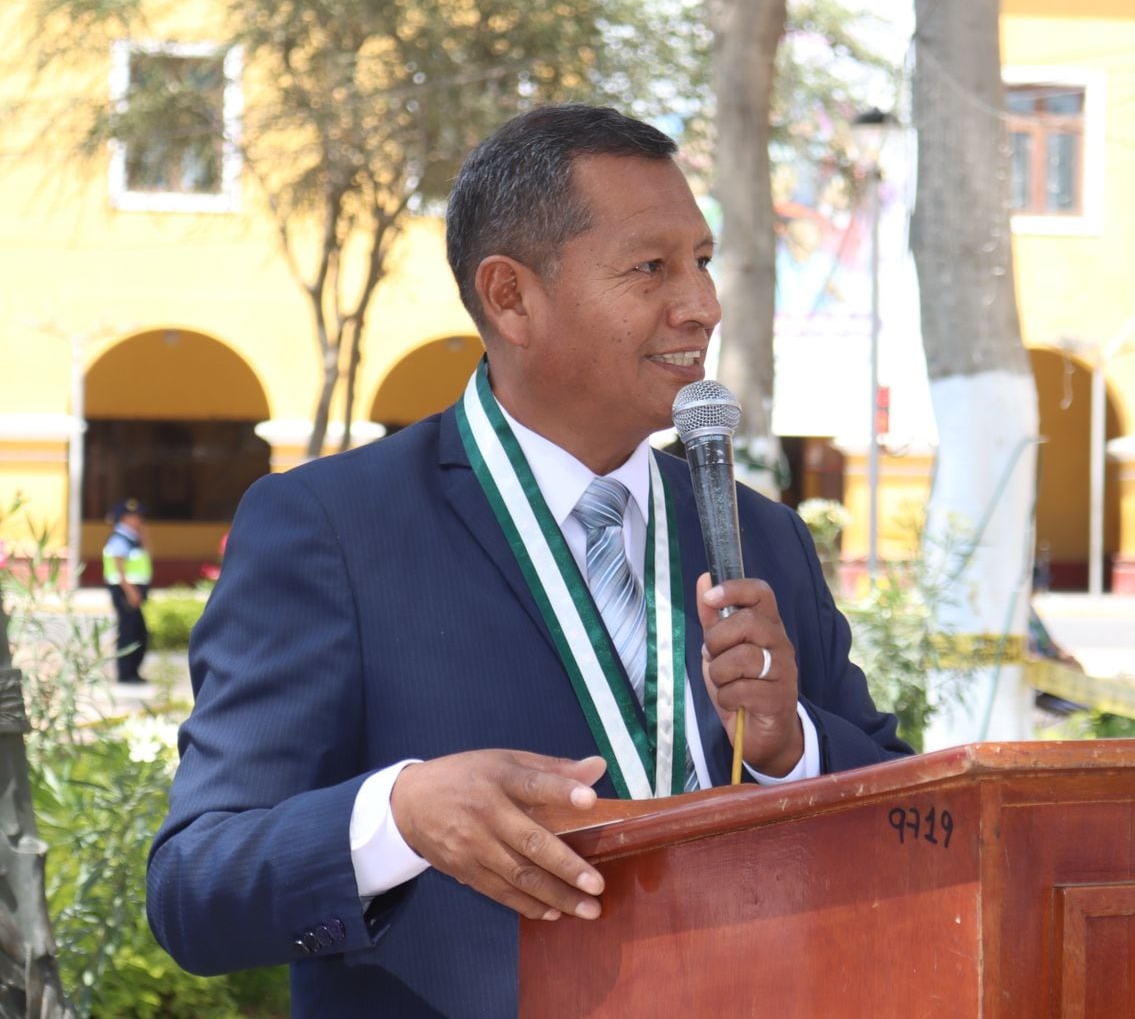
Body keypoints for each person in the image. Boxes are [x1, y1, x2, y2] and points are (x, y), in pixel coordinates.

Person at [146, 105, 911, 1017]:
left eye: (702, 261)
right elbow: (196, 886)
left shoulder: (761, 536)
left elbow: (910, 824)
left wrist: (792, 748)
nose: (702, 304)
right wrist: (400, 817)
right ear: (510, 297)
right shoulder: (332, 529)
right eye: (651, 267)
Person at [102, 498, 152, 683]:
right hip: (125, 591)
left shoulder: (133, 539)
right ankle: (126, 674)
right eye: (136, 516)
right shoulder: (119, 539)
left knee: (139, 632)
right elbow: (119, 569)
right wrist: (131, 592)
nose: (140, 520)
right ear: (124, 518)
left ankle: (133, 672)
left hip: (133, 591)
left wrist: (143, 534)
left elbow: (148, 553)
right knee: (129, 632)